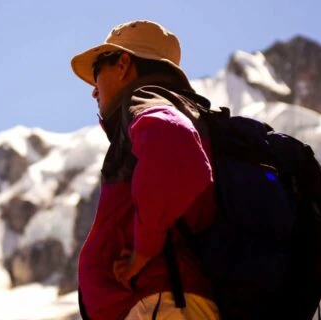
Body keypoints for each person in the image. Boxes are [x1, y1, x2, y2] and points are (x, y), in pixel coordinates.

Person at [70, 20, 220, 320]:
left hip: (164, 299)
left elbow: (174, 145)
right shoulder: (184, 108)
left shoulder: (146, 101)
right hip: (172, 299)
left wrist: (145, 250)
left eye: (98, 70)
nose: (94, 92)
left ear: (123, 64)